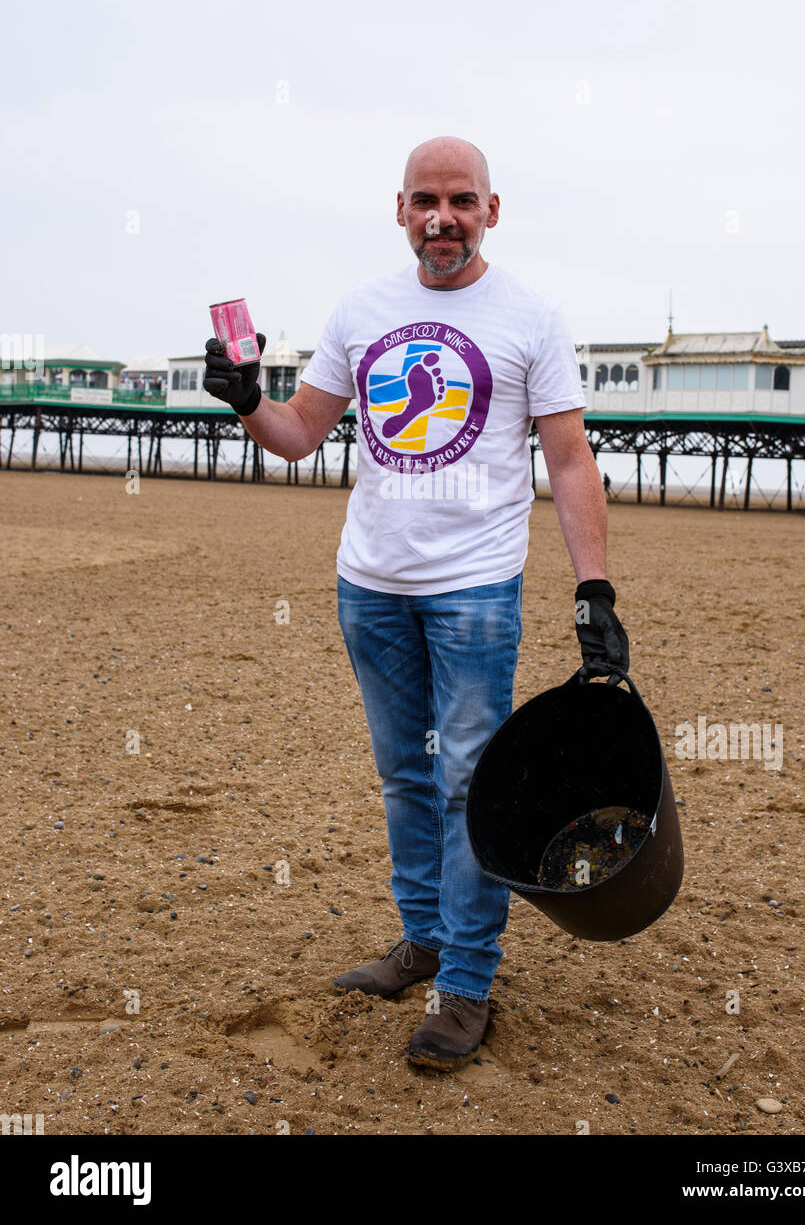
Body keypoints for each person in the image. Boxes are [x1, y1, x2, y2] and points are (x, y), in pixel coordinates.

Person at [203, 136, 629, 1071]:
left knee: (470, 783)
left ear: (491, 211)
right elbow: (299, 436)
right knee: (404, 778)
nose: (444, 219)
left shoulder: (530, 316)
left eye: (462, 202)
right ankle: (424, 937)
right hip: (370, 587)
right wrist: (244, 400)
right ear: (400, 210)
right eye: (426, 202)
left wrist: (593, 589)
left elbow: (567, 460)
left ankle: (467, 982)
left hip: (475, 589)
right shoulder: (361, 311)